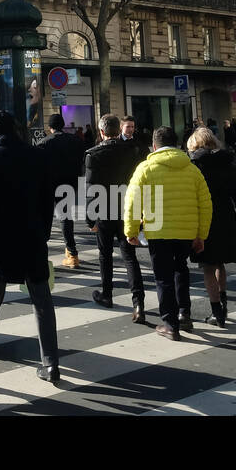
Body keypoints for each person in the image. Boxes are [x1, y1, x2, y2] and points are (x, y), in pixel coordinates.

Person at [0, 111, 60, 382]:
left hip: (1, 237)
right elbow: (48, 200)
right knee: (41, 299)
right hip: (32, 235)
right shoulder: (37, 155)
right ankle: (51, 362)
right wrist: (43, 232)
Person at [124, 126, 212, 340]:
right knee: (181, 269)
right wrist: (201, 234)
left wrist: (131, 231)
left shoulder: (145, 168)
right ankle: (184, 313)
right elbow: (205, 204)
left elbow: (133, 202)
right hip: (186, 231)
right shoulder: (192, 169)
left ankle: (170, 324)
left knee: (163, 277)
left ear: (154, 146)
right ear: (178, 144)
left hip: (157, 230)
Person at [187, 127, 236, 327]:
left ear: (194, 144)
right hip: (226, 217)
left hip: (204, 218)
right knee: (221, 263)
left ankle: (216, 311)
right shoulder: (228, 163)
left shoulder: (195, 164)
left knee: (208, 266)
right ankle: (223, 303)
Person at [86, 113, 147, 322]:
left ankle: (107, 295)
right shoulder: (133, 150)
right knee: (129, 256)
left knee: (105, 255)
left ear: (102, 132)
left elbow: (91, 189)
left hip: (104, 210)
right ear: (118, 129)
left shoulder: (93, 154)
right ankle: (138, 302)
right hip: (127, 208)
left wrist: (89, 218)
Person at [43, 114, 86, 269]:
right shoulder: (76, 141)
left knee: (46, 218)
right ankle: (72, 253)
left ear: (50, 127)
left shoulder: (45, 143)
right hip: (71, 182)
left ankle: (44, 252)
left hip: (50, 184)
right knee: (66, 218)